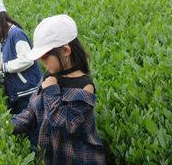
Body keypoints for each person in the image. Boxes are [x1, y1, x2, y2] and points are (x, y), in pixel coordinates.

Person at [12, 15, 106, 165]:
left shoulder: (84, 86)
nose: (43, 63)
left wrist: (51, 91)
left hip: (79, 160)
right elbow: (33, 110)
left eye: (46, 57)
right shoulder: (50, 76)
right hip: (52, 157)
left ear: (65, 50)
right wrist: (10, 125)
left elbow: (68, 126)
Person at [0, 2, 42, 114]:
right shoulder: (6, 37)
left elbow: (27, 60)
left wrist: (3, 66)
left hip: (28, 93)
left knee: (31, 129)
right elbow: (9, 59)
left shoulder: (16, 34)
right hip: (18, 93)